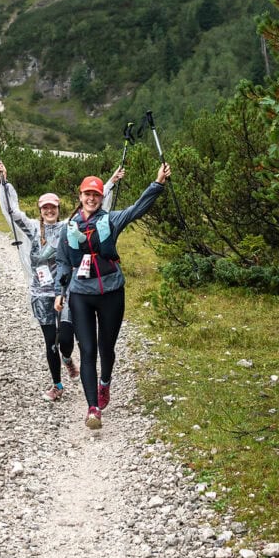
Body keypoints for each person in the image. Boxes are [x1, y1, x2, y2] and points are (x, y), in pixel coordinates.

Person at [54, 162, 171, 431]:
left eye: (96, 194)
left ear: (101, 197)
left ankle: (104, 382)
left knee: (107, 348)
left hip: (112, 292)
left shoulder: (111, 220)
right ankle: (92, 408)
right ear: (80, 196)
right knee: (87, 350)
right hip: (81, 294)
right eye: (87, 194)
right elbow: (62, 261)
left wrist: (157, 184)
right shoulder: (68, 228)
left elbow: (137, 209)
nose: (91, 198)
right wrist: (61, 292)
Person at [0, 160, 79, 402]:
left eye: (53, 207)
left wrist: (110, 183)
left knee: (66, 339)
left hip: (64, 292)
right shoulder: (32, 228)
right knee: (50, 341)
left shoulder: (67, 227)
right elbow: (12, 212)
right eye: (45, 208)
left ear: (58, 209)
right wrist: (4, 181)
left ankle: (67, 358)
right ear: (40, 210)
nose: (49, 211)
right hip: (40, 295)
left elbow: (88, 211)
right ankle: (57, 385)